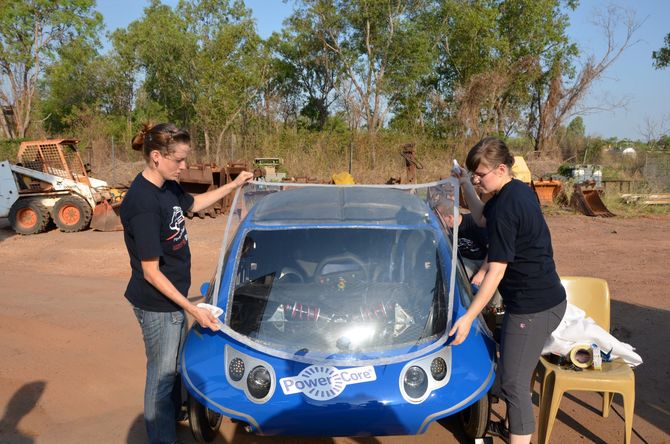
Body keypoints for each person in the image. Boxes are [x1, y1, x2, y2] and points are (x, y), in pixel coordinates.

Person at [120, 122, 253, 444]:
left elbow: (194, 205)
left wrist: (235, 184)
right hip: (158, 306)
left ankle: (175, 412)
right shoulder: (143, 203)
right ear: (156, 156)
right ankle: (161, 438)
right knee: (162, 377)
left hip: (175, 299)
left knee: (177, 366)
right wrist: (191, 308)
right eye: (178, 160)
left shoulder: (167, 187)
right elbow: (151, 271)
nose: (184, 166)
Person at [449, 137, 567, 444]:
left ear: (501, 168)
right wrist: (465, 183)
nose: (477, 179)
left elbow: (496, 269)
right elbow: (479, 217)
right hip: (539, 300)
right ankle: (511, 425)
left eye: (480, 174)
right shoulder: (511, 192)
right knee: (510, 375)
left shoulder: (508, 205)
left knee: (514, 385)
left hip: (534, 306)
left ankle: (518, 432)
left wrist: (468, 316)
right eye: (473, 173)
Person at [435, 199, 502, 310]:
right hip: (466, 260)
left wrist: (481, 273)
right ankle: (464, 306)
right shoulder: (447, 230)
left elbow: (493, 251)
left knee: (493, 275)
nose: (438, 222)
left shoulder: (474, 224)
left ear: (450, 218)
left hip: (486, 259)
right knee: (457, 273)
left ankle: (495, 307)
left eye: (439, 219)